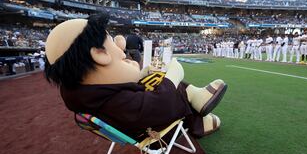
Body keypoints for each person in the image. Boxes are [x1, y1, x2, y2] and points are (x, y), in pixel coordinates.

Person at [44, 13, 227, 142]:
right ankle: (195, 111)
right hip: (154, 133)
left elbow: (127, 95)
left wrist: (140, 75)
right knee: (168, 86)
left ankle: (196, 99)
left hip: (137, 127)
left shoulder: (86, 95)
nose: (120, 48)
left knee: (153, 80)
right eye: (112, 43)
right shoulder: (110, 103)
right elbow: (158, 107)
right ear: (99, 54)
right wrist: (172, 76)